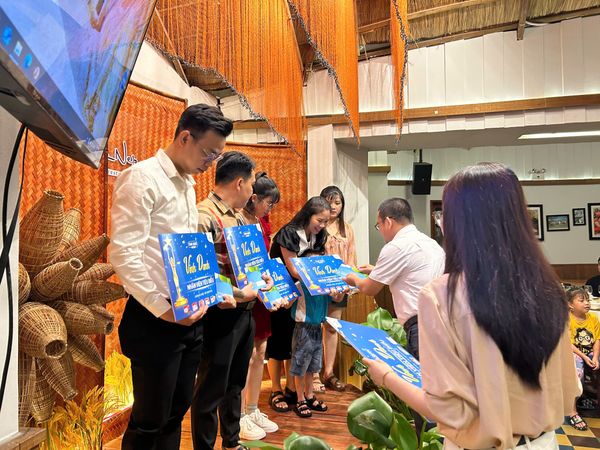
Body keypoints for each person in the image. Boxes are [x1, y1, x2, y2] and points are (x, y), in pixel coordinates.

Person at [364, 163, 581, 450]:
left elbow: (449, 412)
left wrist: (385, 376)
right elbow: (568, 389)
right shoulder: (548, 289)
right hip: (545, 442)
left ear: (457, 223)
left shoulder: (441, 297)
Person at [108, 104, 233, 450]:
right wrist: (163, 310)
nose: (211, 162)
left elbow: (187, 252)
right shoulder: (142, 178)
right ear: (185, 137)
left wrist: (211, 289)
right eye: (209, 153)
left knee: (176, 414)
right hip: (155, 320)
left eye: (217, 156)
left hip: (189, 316)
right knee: (149, 421)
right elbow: (124, 254)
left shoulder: (188, 185)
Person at [191, 152, 273, 450]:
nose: (252, 192)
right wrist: (241, 294)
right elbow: (202, 276)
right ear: (240, 183)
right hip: (220, 317)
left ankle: (231, 441)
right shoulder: (203, 216)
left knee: (234, 384)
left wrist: (263, 279)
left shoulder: (239, 217)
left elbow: (249, 263)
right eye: (251, 184)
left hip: (245, 314)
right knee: (210, 390)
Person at [344, 198, 444, 359]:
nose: (380, 230)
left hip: (420, 326)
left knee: (420, 375)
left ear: (388, 222)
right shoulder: (431, 244)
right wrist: (376, 271)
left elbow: (369, 288)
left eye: (379, 225)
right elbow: (412, 275)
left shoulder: (396, 247)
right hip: (441, 324)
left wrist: (353, 278)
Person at [269, 197, 340, 418]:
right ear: (308, 215)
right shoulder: (288, 233)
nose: (322, 225)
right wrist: (321, 279)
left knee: (298, 346)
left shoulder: (320, 235)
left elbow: (318, 262)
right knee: (279, 341)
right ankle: (275, 390)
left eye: (326, 222)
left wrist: (331, 280)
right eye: (320, 220)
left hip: (306, 294)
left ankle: (295, 391)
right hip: (284, 290)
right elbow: (293, 270)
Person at [238, 172, 281, 441]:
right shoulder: (238, 219)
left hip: (262, 292)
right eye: (268, 203)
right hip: (245, 293)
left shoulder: (261, 221)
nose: (270, 208)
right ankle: (239, 414)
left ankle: (253, 408)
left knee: (260, 350)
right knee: (245, 355)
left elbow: (264, 259)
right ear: (253, 198)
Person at [318, 186, 357, 392]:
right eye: (329, 201)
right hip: (318, 287)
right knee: (313, 327)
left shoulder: (347, 229)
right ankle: (313, 375)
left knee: (332, 328)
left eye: (337, 202)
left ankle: (329, 373)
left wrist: (343, 287)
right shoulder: (317, 226)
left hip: (339, 289)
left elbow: (351, 261)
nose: (333, 206)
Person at [568, 286, 599, 429]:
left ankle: (594, 400)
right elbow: (568, 344)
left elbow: (597, 339)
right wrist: (585, 357)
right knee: (577, 370)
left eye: (588, 300)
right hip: (575, 352)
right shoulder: (567, 319)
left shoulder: (593, 318)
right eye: (581, 300)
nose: (587, 303)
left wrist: (595, 357)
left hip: (591, 352)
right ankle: (572, 410)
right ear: (570, 305)